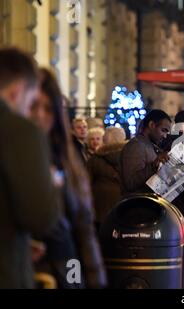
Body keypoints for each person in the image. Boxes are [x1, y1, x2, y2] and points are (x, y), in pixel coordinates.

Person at [29, 68, 107, 288]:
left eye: (48, 109)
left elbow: (83, 227)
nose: (41, 116)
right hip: (34, 268)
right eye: (34, 106)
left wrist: (94, 278)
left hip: (68, 262)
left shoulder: (66, 156)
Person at [0, 47, 59, 288]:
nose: (30, 112)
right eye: (31, 102)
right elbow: (41, 218)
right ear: (17, 92)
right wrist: (52, 183)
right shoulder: (20, 132)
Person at [161, 109, 184, 242]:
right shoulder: (183, 140)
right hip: (181, 202)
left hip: (170, 200)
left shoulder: (169, 139)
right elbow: (183, 174)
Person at [120, 109, 171, 195]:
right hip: (139, 205)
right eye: (163, 130)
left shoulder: (149, 145)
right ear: (151, 125)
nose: (165, 136)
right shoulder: (135, 145)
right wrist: (154, 165)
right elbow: (130, 182)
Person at [87, 127, 127, 227]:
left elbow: (86, 181)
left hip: (100, 207)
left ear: (104, 139)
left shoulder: (95, 159)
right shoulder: (130, 156)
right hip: (124, 206)